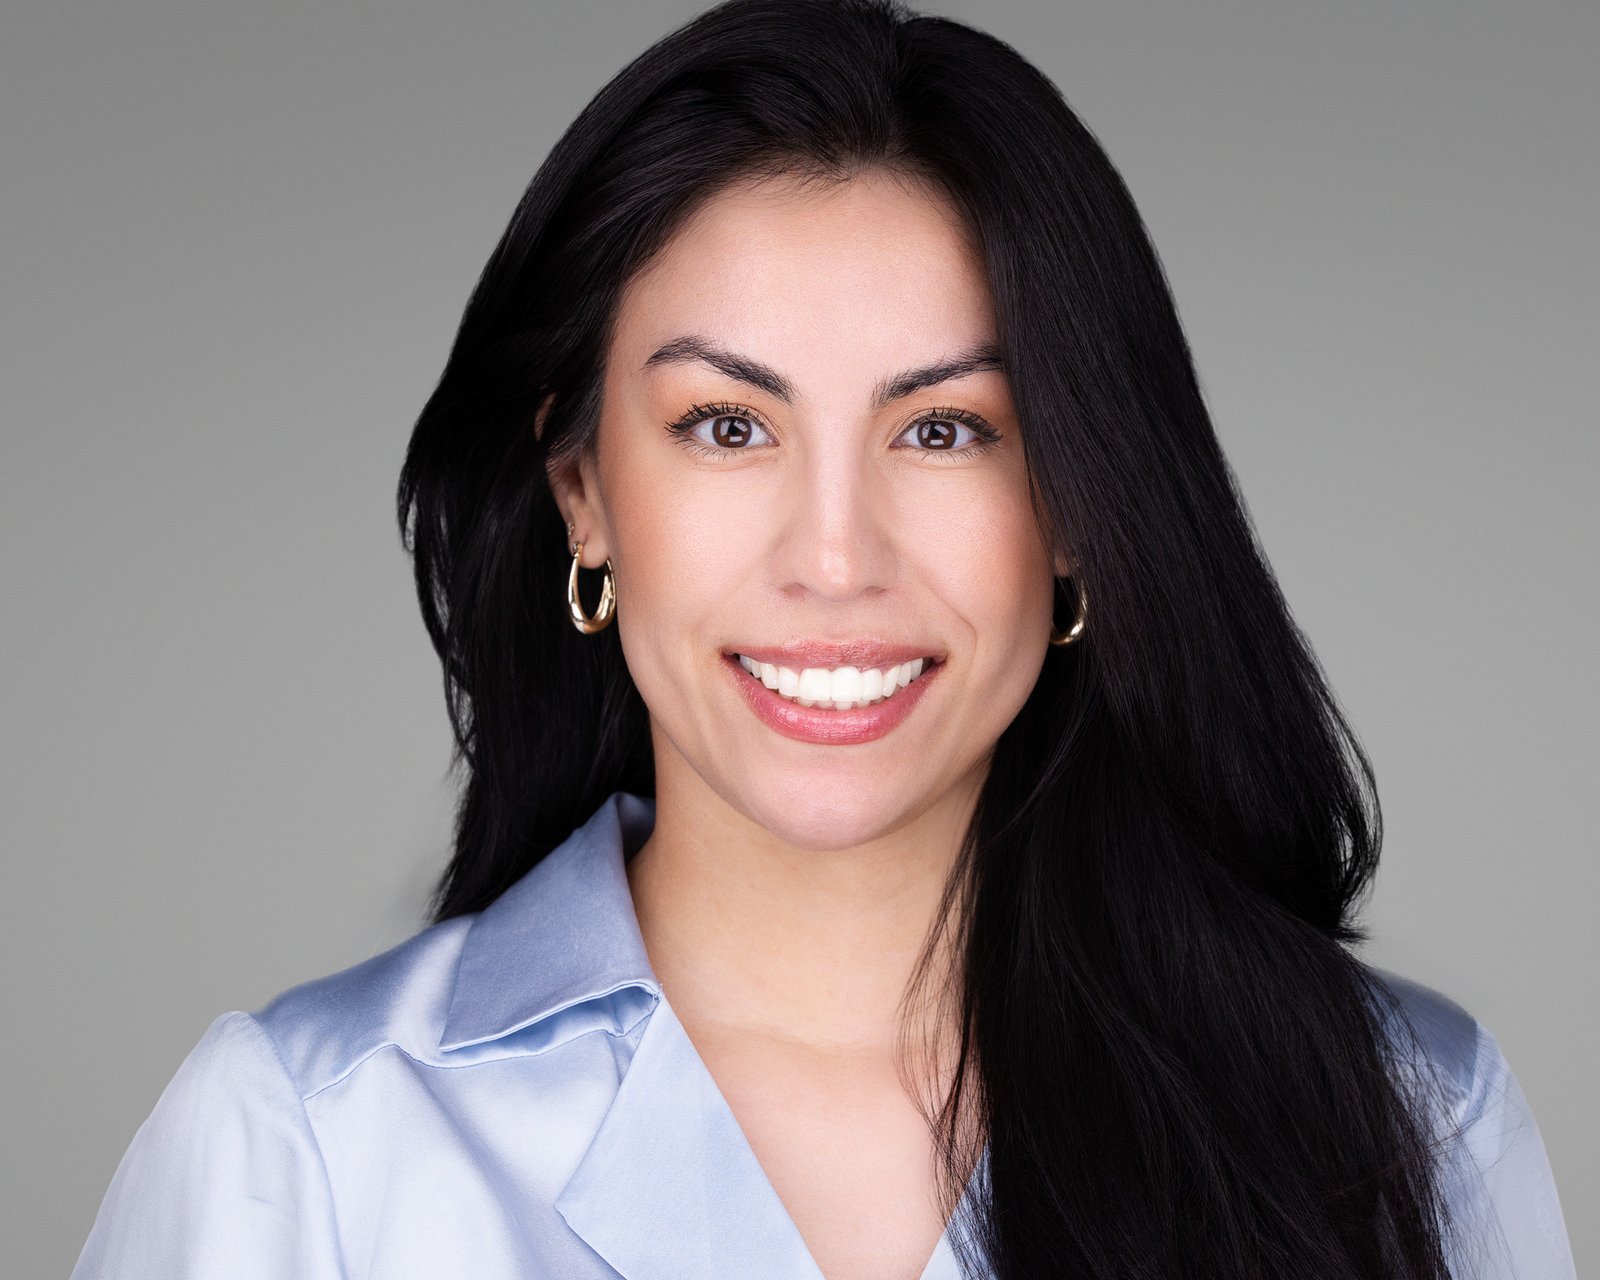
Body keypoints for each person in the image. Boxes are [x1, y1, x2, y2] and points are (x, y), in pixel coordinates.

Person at [71, 1, 1576, 1277]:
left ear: (1077, 508)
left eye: (944, 429)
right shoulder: (310, 1151)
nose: (836, 556)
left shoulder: (1409, 1123)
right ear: (584, 494)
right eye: (728, 425)